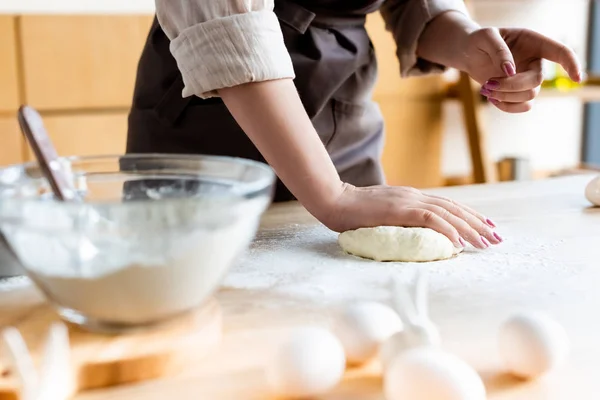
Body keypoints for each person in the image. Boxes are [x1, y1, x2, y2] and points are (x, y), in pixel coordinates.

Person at [127, 0, 581, 251]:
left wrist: (464, 41)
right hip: (212, 120)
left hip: (343, 115)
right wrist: (333, 196)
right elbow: (226, 25)